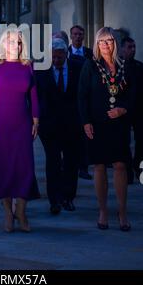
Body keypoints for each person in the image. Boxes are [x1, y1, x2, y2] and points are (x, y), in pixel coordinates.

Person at [0, 29, 40, 233]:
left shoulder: (27, 66)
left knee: (24, 168)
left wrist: (36, 121)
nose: (16, 45)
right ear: (4, 43)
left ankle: (21, 211)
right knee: (3, 167)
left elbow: (34, 96)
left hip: (22, 123)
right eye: (12, 41)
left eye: (19, 42)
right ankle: (7, 213)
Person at [78, 27, 135, 231]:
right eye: (101, 41)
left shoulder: (124, 66)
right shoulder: (90, 66)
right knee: (99, 166)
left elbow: (133, 95)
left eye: (109, 41)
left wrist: (123, 109)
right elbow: (82, 96)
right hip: (96, 124)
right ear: (96, 44)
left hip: (118, 124)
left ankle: (122, 212)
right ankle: (103, 211)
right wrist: (85, 122)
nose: (105, 45)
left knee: (120, 165)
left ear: (115, 43)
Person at [36, 38, 82, 215]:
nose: (56, 61)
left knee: (71, 162)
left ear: (66, 55)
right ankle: (54, 200)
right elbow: (36, 97)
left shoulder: (78, 68)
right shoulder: (41, 70)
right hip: (49, 126)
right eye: (53, 58)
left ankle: (68, 198)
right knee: (53, 162)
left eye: (59, 58)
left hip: (72, 125)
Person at [68, 25, 94, 181]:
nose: (78, 37)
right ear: (71, 36)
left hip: (85, 99)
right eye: (75, 34)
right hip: (70, 100)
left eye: (80, 34)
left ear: (83, 36)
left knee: (85, 136)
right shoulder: (65, 53)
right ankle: (71, 164)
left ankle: (83, 167)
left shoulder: (90, 54)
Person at [121, 37, 143, 180]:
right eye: (130, 47)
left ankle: (139, 168)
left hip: (140, 110)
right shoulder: (117, 67)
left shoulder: (141, 67)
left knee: (142, 141)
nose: (133, 50)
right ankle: (128, 173)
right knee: (124, 141)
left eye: (134, 47)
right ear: (122, 49)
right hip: (124, 111)